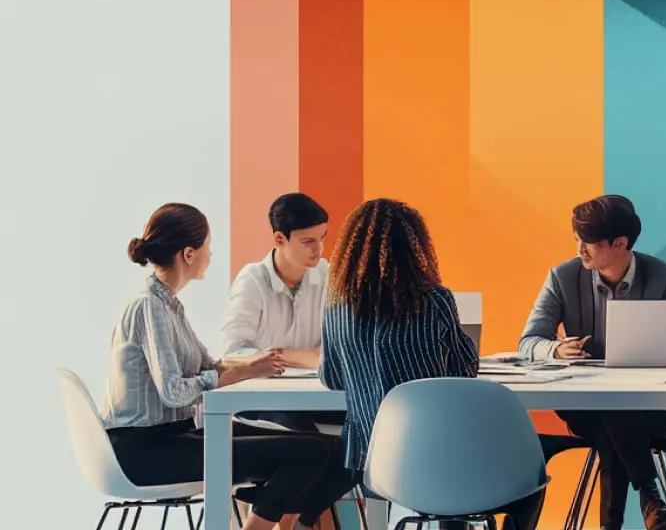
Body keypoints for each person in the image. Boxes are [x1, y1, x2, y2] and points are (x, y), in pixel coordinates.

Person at [99, 203, 355, 530]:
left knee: (326, 447)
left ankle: (272, 516)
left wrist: (250, 365)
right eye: (208, 245)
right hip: (144, 450)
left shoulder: (168, 303)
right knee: (307, 453)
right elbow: (174, 393)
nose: (211, 254)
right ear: (189, 254)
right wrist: (241, 372)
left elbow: (209, 365)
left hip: (175, 435)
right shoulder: (150, 306)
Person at [318, 199, 545, 530]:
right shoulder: (435, 300)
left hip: (376, 465)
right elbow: (462, 373)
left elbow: (332, 377)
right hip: (444, 457)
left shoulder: (336, 308)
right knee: (531, 465)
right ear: (416, 249)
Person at [518, 195, 666, 530]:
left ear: (620, 243)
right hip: (585, 407)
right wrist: (556, 350)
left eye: (589, 242)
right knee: (613, 406)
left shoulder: (664, 276)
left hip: (651, 407)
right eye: (577, 240)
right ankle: (650, 495)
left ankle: (613, 523)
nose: (580, 250)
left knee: (613, 414)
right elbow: (529, 342)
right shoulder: (562, 277)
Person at [221, 192, 341, 431]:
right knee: (303, 433)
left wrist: (272, 356)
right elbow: (232, 353)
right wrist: (308, 356)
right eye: (308, 241)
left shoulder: (328, 275)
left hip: (314, 393)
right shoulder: (252, 280)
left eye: (322, 238)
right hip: (261, 395)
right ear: (279, 239)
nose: (318, 249)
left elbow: (334, 353)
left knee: (366, 417)